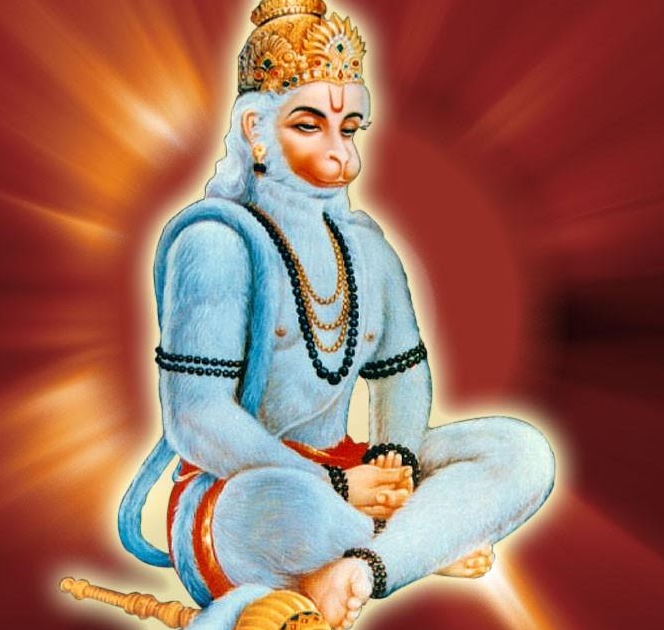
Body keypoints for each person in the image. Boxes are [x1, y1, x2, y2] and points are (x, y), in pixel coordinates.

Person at [118, 2, 555, 628]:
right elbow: (196, 418)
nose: (338, 154)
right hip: (248, 494)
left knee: (520, 451)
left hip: (351, 470)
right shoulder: (214, 243)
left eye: (348, 129)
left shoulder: (366, 247)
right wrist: (338, 488)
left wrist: (395, 461)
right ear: (255, 128)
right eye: (309, 126)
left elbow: (401, 373)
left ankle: (359, 571)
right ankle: (420, 544)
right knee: (288, 505)